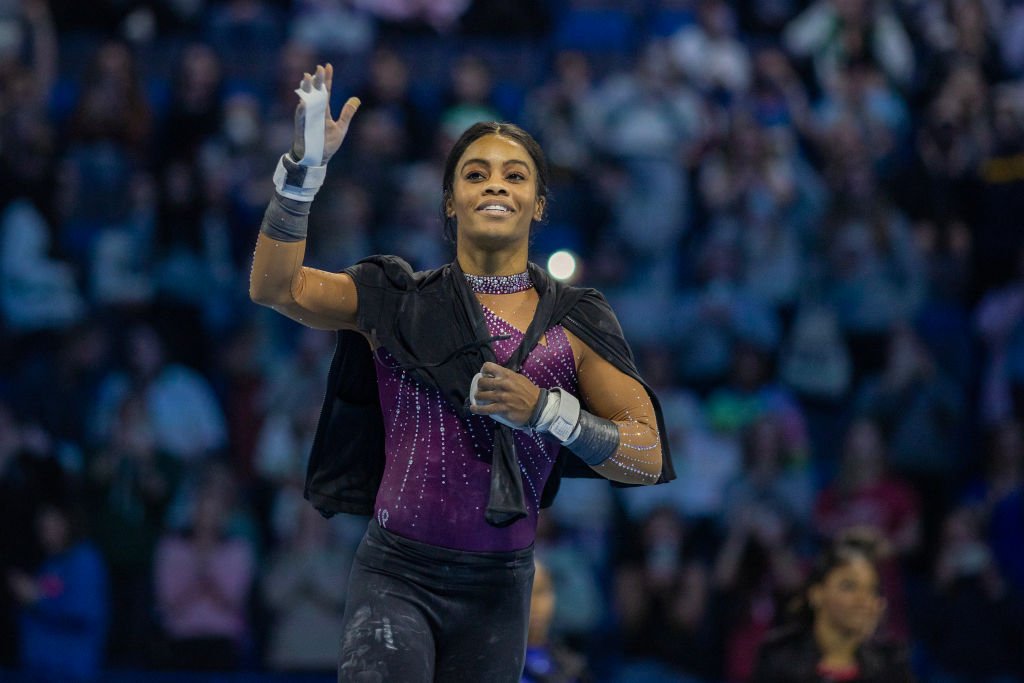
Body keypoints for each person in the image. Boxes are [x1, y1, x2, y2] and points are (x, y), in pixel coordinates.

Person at [249, 63, 674, 682]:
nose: (495, 184)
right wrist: (301, 174)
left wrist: (549, 412)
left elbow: (647, 455)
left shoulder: (575, 320)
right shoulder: (396, 299)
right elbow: (275, 287)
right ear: (449, 201)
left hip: (499, 589)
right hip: (397, 574)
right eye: (475, 173)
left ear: (539, 204)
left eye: (515, 175)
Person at [751, 532, 914, 682]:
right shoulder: (779, 659)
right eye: (849, 586)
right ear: (817, 594)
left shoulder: (891, 664)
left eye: (872, 590)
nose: (863, 600)